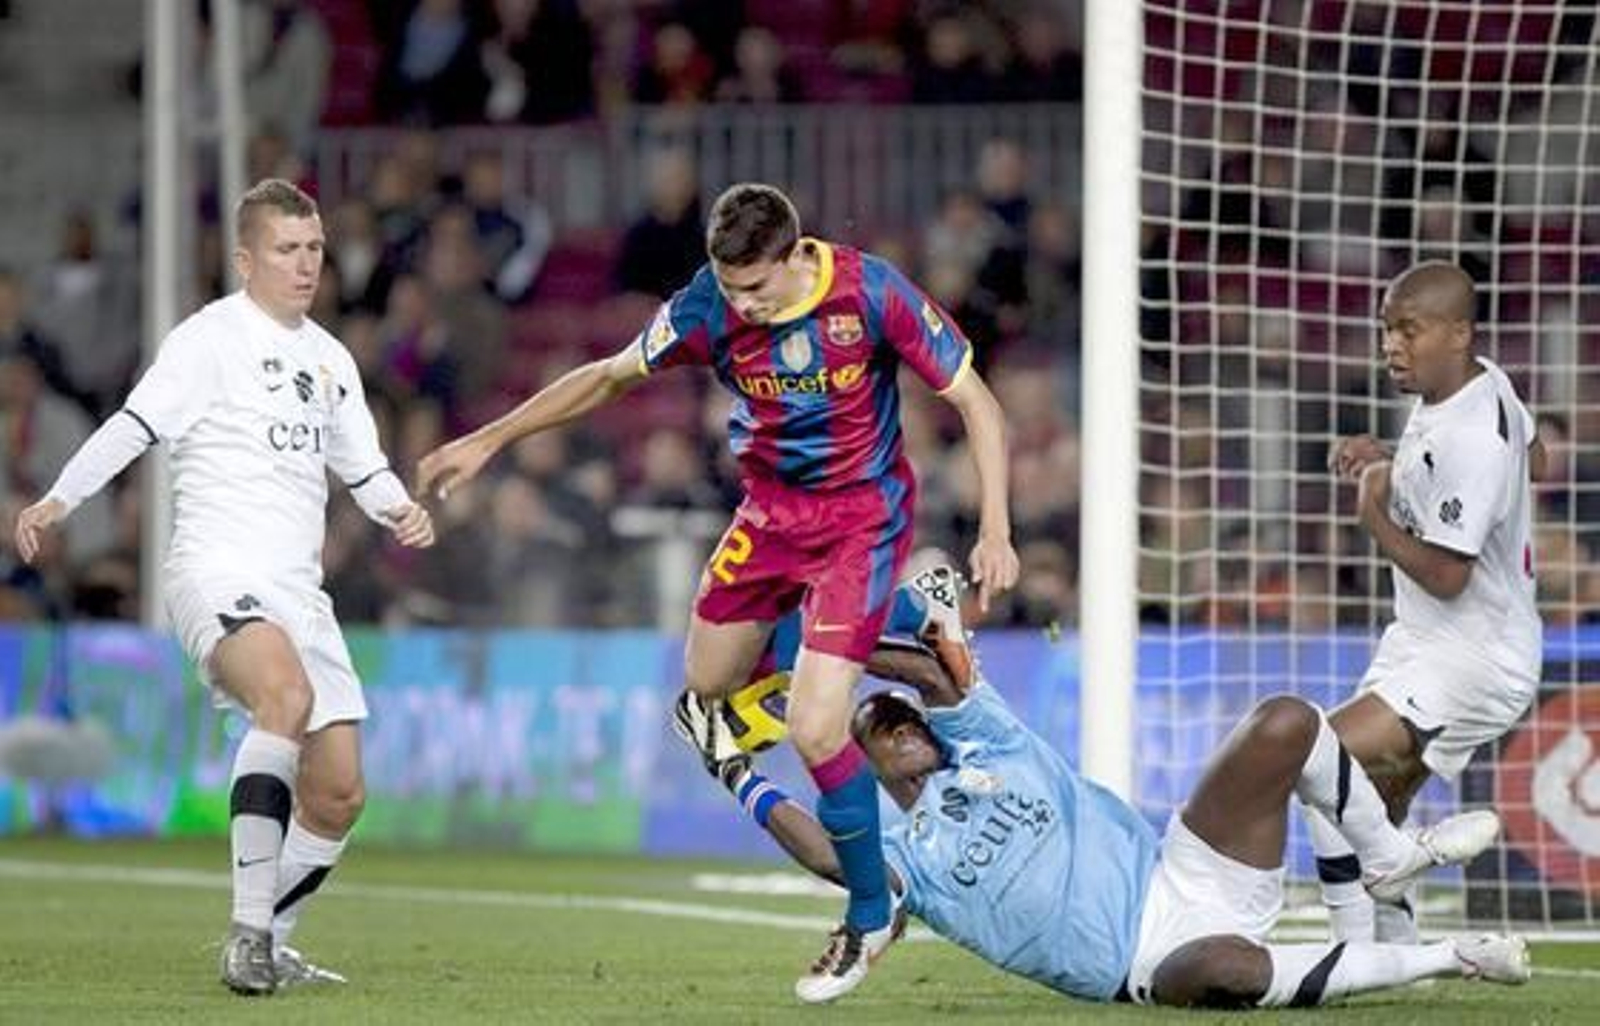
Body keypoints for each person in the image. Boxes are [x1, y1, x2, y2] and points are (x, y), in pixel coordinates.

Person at [416, 182, 1018, 1002]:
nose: (744, 304)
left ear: (797, 255)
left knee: (812, 725)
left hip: (860, 520)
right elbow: (607, 377)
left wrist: (996, 530)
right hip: (769, 516)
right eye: (729, 287)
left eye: (757, 288)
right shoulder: (709, 304)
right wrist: (490, 438)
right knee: (707, 681)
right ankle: (913, 614)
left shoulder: (870, 292)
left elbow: (977, 404)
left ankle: (870, 915)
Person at [682, 593, 1530, 1009]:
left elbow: (938, 673)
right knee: (1226, 970)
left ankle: (1384, 864)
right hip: (1145, 966)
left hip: (1185, 870)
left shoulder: (993, 740)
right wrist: (740, 775)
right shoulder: (905, 857)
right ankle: (1452, 956)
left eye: (901, 713)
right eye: (878, 727)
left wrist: (853, 658)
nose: (896, 722)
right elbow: (830, 853)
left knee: (1284, 723)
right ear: (863, 761)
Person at [12, 179, 436, 995]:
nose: (306, 264)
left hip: (299, 591)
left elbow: (364, 468)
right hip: (217, 571)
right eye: (287, 248)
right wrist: (61, 497)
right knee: (285, 699)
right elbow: (132, 426)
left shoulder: (330, 358)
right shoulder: (208, 340)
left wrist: (401, 511)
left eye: (313, 248)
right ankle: (247, 934)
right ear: (246, 259)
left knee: (341, 792)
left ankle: (271, 939)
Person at [1315, 262, 1543, 943]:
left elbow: (1449, 575)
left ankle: (1369, 919)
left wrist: (1376, 513)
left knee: (1323, 764)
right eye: (1387, 330)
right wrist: (1393, 457)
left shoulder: (1474, 437)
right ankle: (1394, 938)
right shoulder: (1482, 384)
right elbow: (1540, 455)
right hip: (1425, 643)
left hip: (1473, 656)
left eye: (1409, 331)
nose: (1392, 346)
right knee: (1354, 805)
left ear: (1458, 332)